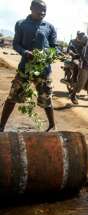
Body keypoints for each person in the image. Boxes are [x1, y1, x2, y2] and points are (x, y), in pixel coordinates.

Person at [0, 0, 57, 132]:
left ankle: (52, 125)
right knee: (13, 97)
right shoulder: (21, 24)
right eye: (39, 10)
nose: (42, 13)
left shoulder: (50, 27)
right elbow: (16, 44)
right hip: (25, 68)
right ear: (31, 8)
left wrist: (48, 54)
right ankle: (1, 126)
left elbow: (54, 48)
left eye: (45, 10)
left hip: (43, 70)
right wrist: (25, 52)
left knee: (46, 98)